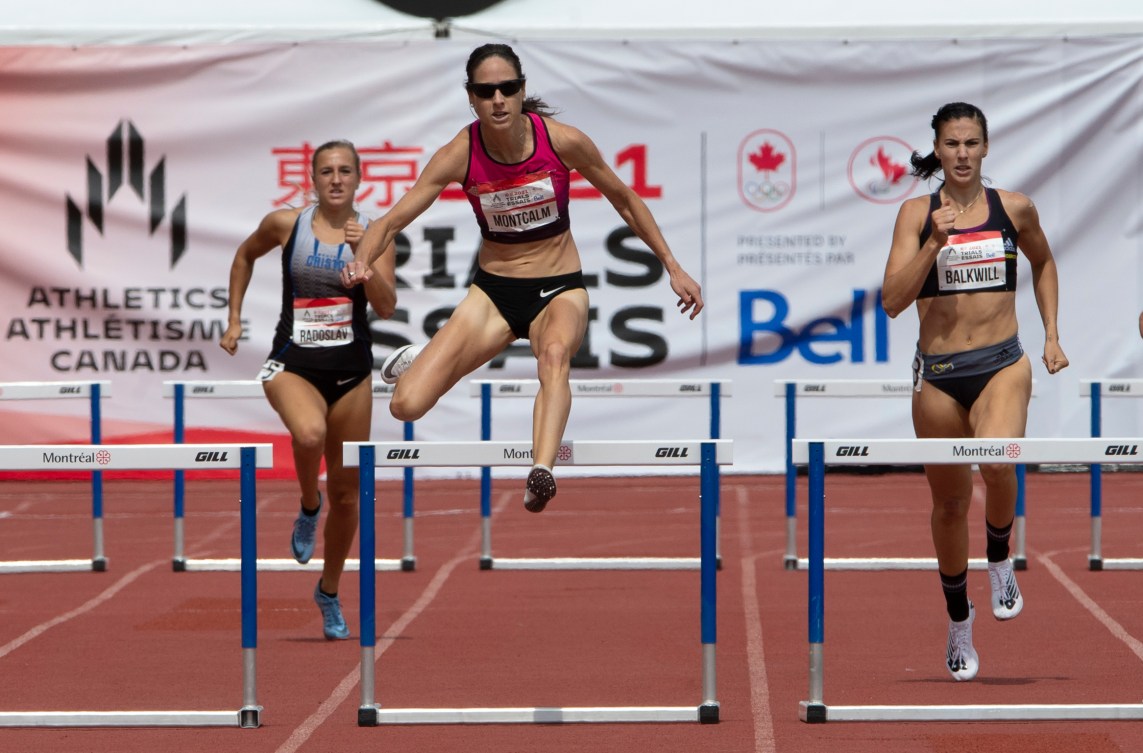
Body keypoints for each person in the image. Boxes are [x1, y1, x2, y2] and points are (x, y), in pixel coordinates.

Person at [341, 43, 703, 512]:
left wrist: (672, 266)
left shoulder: (562, 141)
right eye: (486, 91)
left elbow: (626, 199)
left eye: (507, 89)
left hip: (559, 288)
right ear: (470, 97)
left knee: (554, 355)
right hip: (493, 294)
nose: (498, 100)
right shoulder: (459, 154)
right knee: (406, 407)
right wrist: (363, 260)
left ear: (522, 90)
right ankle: (421, 359)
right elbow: (388, 222)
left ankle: (541, 471)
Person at [882, 102, 1068, 682]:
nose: (961, 154)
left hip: (1001, 364)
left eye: (971, 143)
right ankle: (959, 622)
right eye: (951, 144)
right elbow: (891, 301)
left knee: (998, 459)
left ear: (985, 148)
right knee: (949, 504)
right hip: (938, 376)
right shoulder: (916, 215)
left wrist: (1052, 335)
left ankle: (1000, 555)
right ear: (936, 151)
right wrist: (933, 245)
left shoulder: (1014, 209)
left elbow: (1043, 263)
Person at [220, 140, 397, 641]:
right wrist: (233, 320)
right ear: (313, 180)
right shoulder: (286, 224)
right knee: (308, 432)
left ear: (359, 179)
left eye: (345, 171)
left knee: (348, 495)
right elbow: (243, 256)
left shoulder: (378, 234)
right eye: (326, 171)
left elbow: (385, 306)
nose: (336, 179)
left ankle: (329, 589)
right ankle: (306, 504)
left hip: (351, 373)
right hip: (292, 363)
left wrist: (366, 258)